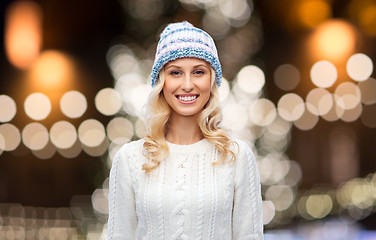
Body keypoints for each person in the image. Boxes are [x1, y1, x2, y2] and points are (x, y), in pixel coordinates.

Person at [108, 21, 263, 240]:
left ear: (211, 80)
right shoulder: (130, 159)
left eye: (198, 72)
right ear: (161, 81)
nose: (188, 84)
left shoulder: (237, 157)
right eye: (175, 73)